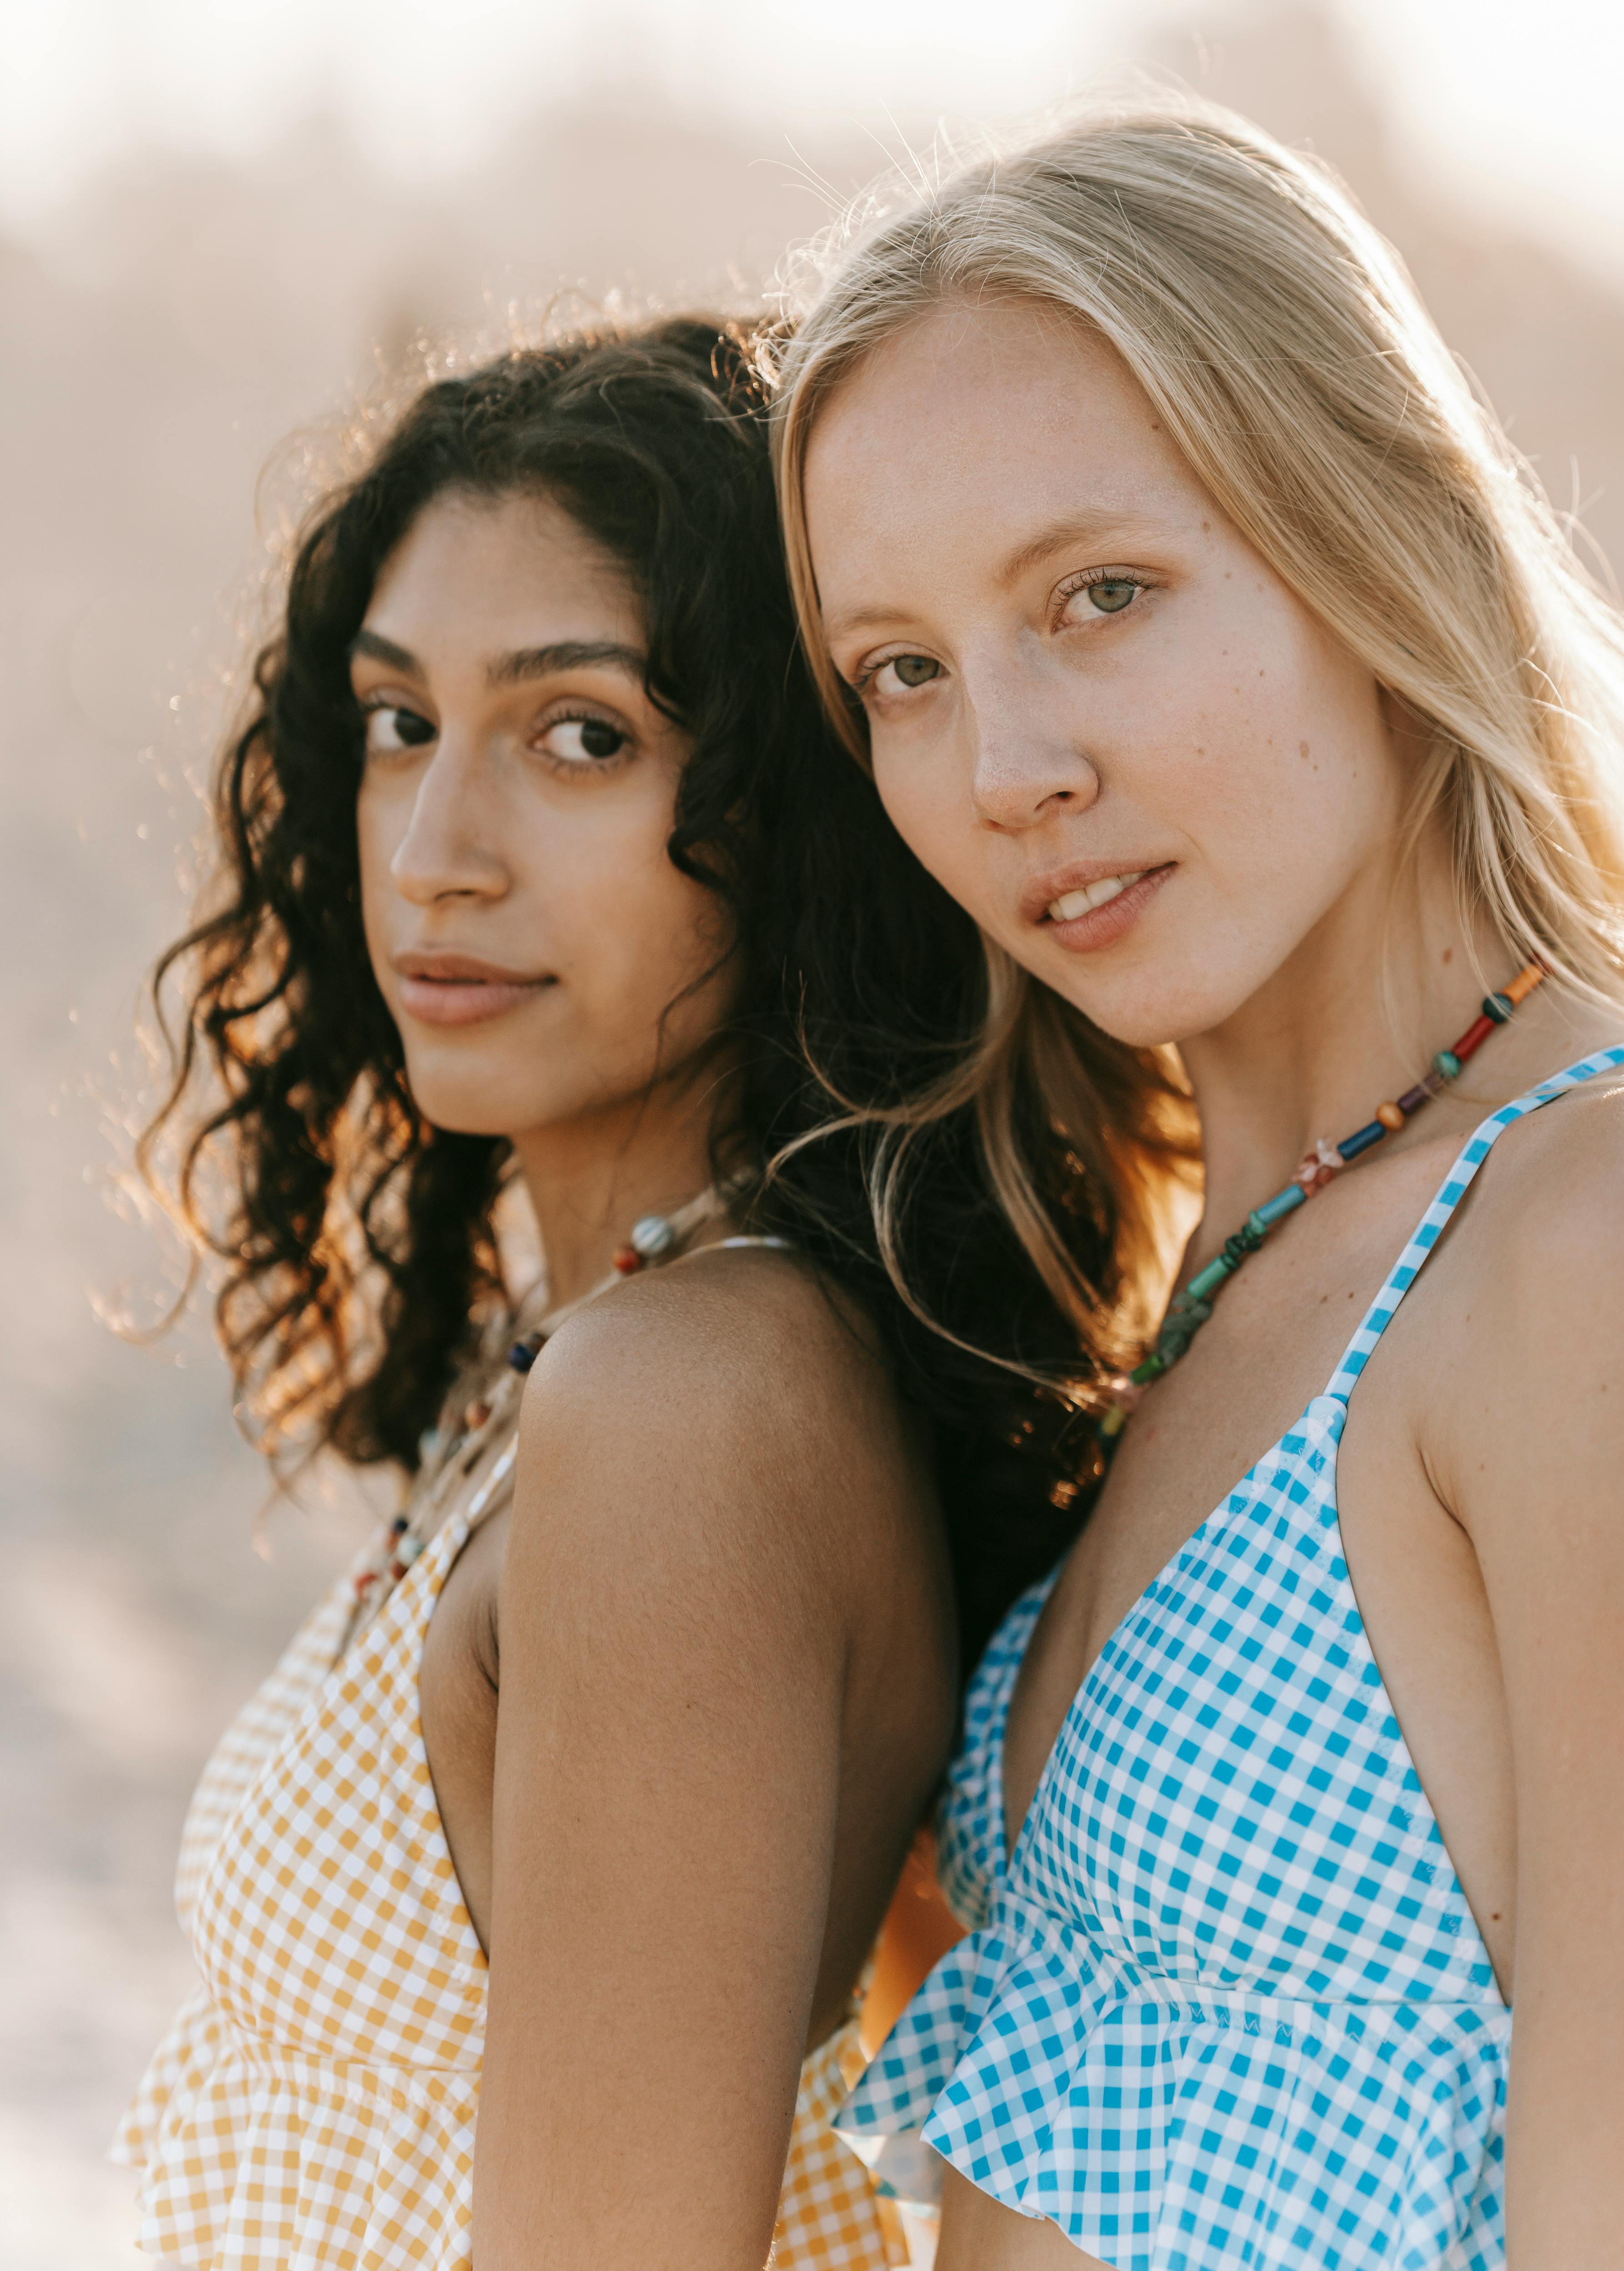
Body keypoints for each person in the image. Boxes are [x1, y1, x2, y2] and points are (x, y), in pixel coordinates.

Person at [769, 105, 1624, 2270]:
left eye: (1104, 595)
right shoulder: (1215, 1265)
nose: (1006, 766)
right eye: (905, 671)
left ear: (1377, 536)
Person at [113, 316, 1100, 2271]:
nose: (436, 854)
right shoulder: (596, 1354)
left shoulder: (688, 1403)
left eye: (583, 736)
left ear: (795, 807)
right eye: (401, 723)